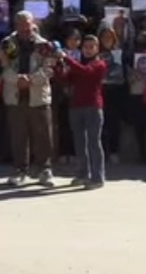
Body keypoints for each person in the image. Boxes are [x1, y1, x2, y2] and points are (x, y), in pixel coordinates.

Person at [0, 10, 55, 186]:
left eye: (28, 25)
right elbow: (3, 67)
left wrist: (31, 80)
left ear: (33, 24)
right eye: (21, 25)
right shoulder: (7, 44)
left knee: (43, 135)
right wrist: (17, 80)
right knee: (18, 135)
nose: (25, 29)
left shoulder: (43, 45)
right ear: (16, 25)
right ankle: (20, 170)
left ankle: (45, 170)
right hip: (15, 95)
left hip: (38, 95)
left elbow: (49, 68)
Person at [57, 34, 108, 189]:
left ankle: (97, 177)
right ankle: (82, 174)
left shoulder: (100, 64)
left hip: (93, 107)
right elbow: (66, 79)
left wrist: (66, 58)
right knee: (79, 143)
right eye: (85, 47)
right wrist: (57, 65)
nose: (88, 50)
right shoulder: (78, 64)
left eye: (92, 47)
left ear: (97, 49)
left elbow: (86, 72)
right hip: (76, 106)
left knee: (94, 142)